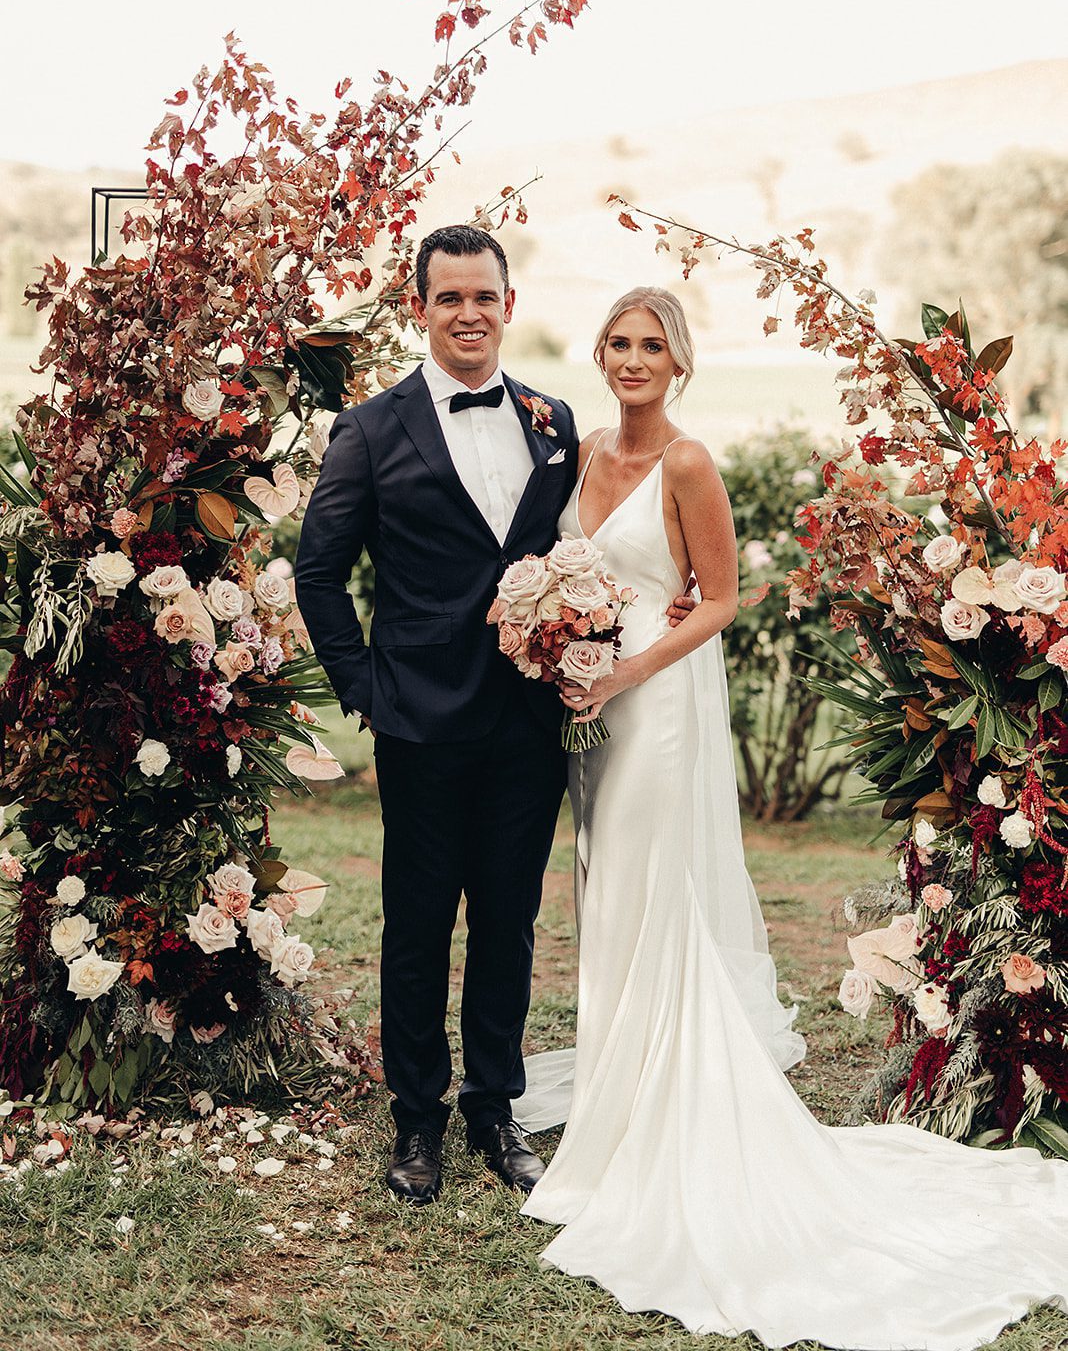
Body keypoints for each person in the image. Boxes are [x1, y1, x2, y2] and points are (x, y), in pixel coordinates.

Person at [520, 287, 1068, 1351]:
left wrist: (625, 665)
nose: (634, 359)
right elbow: (570, 571)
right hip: (590, 705)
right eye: (620, 343)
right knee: (604, 898)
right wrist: (556, 641)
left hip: (655, 705)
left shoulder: (687, 462)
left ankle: (652, 1121)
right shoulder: (584, 451)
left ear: (678, 362)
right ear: (599, 352)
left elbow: (718, 599)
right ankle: (617, 1099)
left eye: (654, 346)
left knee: (649, 890)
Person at [295, 227, 693, 1206]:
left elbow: (590, 549)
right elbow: (319, 572)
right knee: (419, 924)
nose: (468, 313)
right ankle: (418, 1120)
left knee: (510, 923)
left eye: (485, 296)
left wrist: (643, 616)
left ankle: (496, 1107)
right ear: (419, 309)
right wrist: (366, 690)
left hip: (527, 725)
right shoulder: (371, 429)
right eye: (449, 298)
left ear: (509, 306)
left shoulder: (554, 419)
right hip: (418, 724)